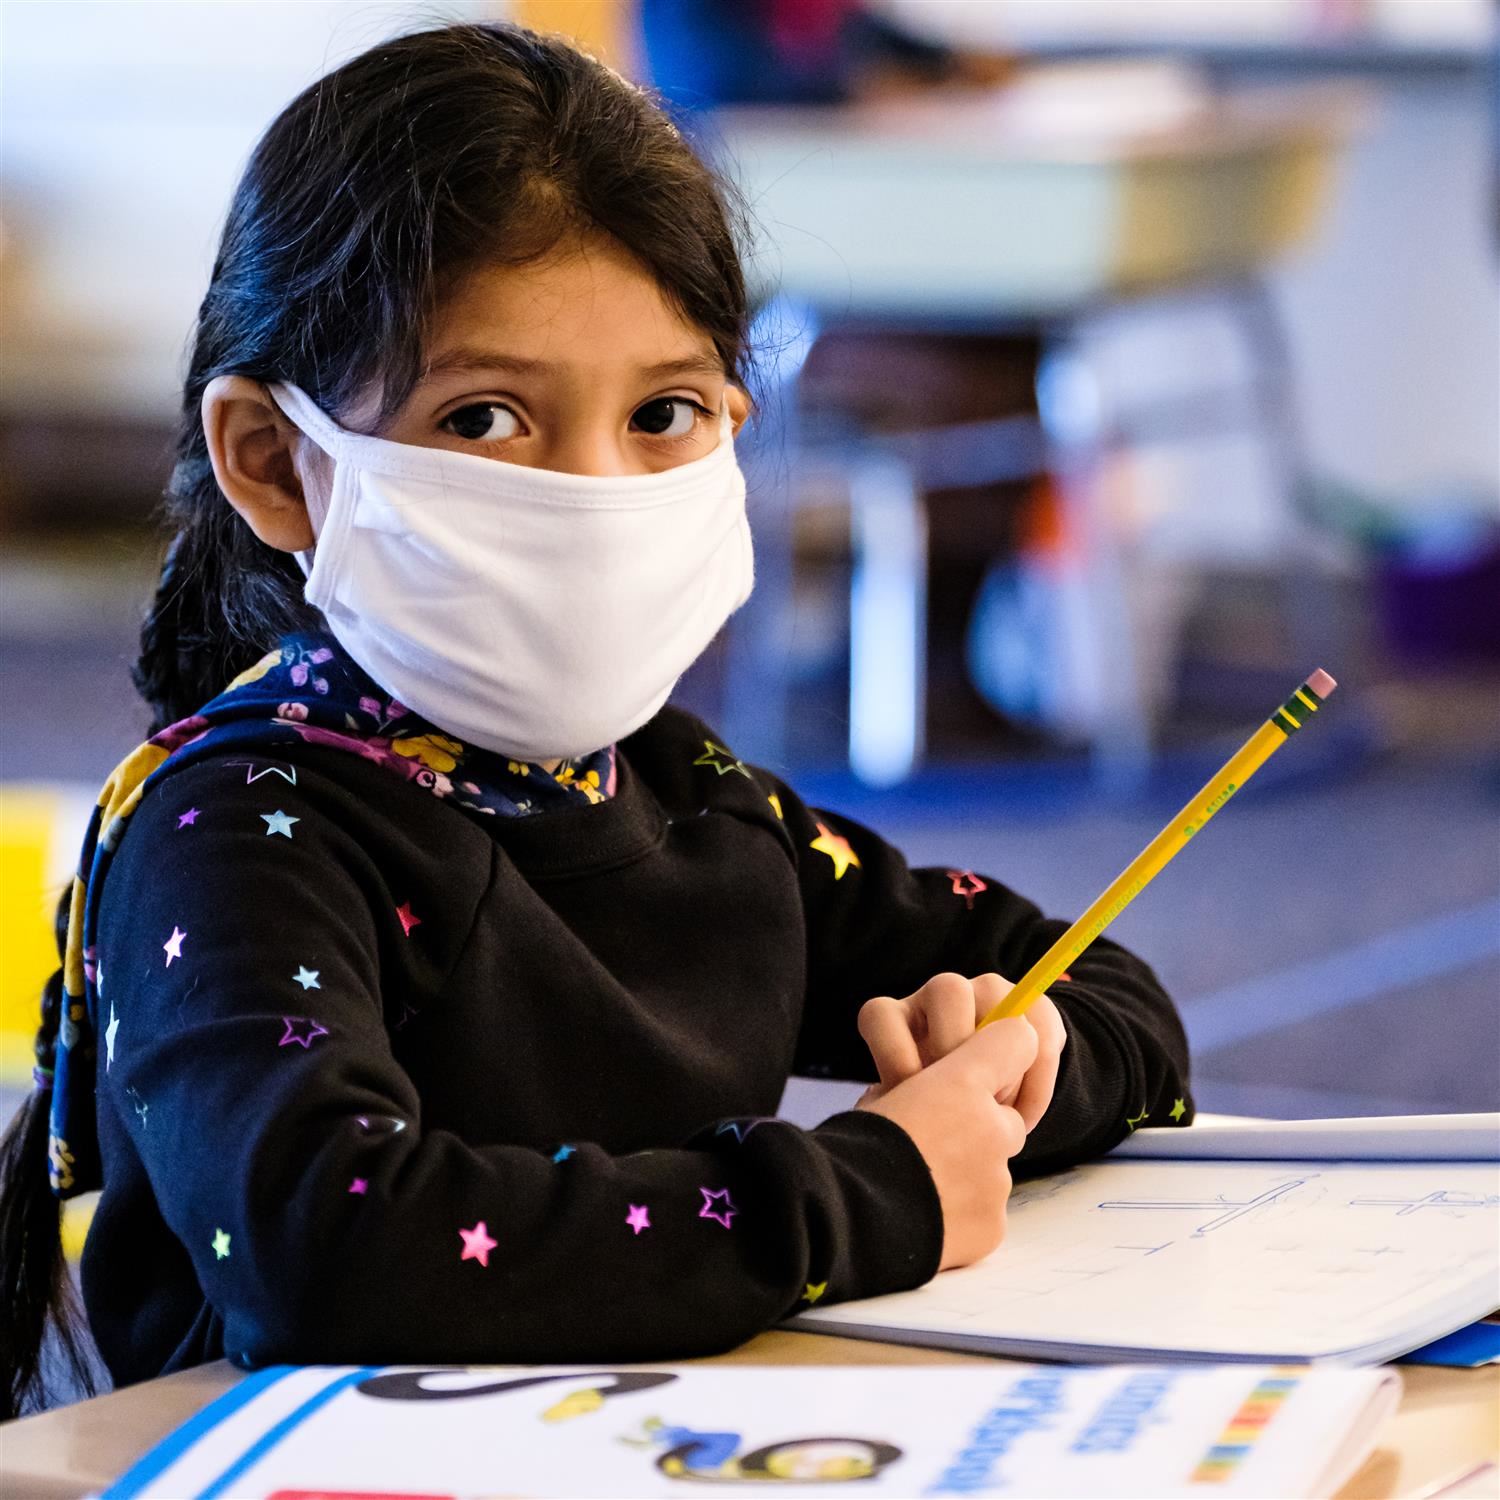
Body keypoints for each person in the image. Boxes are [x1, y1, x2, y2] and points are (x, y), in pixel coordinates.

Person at [0, 21, 1191, 1419]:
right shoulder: (239, 834)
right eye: (488, 419)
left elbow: (1112, 997)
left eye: (668, 411)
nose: (590, 491)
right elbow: (331, 1247)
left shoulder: (686, 798)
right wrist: (867, 1192)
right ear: (276, 465)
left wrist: (1010, 1062)